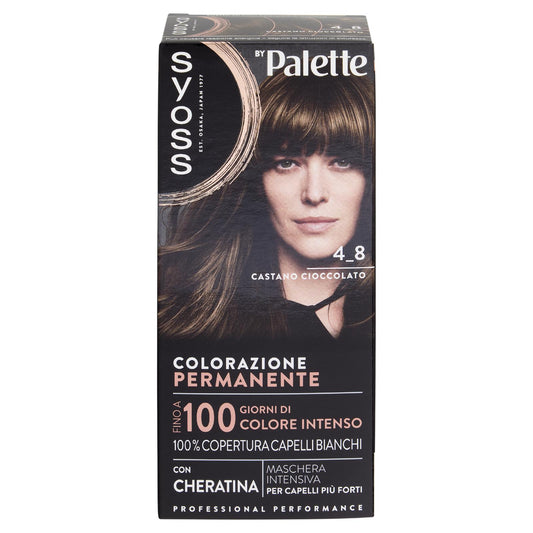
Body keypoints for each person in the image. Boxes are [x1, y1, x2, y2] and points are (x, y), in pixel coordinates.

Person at [158, 68, 374, 345]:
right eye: (287, 163)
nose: (314, 193)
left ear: (371, 179)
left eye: (342, 162)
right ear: (255, 178)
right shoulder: (174, 312)